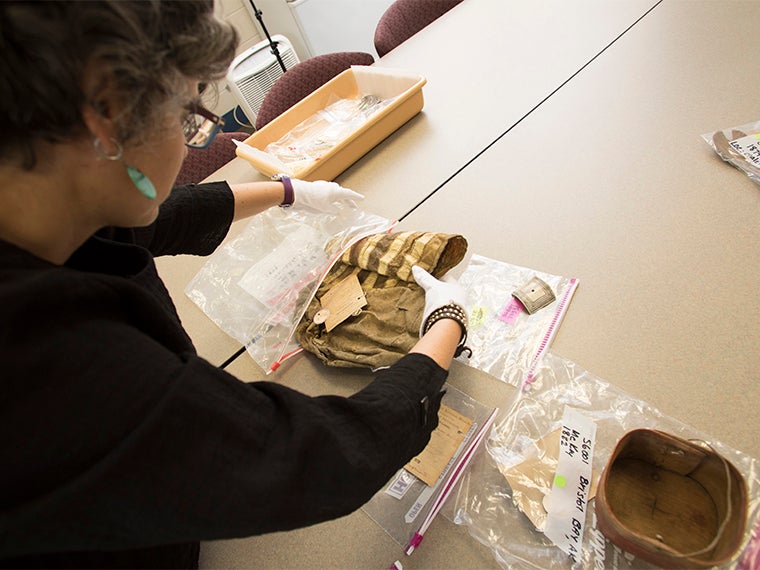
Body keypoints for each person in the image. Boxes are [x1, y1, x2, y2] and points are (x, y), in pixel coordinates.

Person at [0, 1, 469, 568]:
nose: (196, 139)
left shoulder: (37, 204)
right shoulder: (54, 361)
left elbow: (141, 219)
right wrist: (443, 331)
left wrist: (289, 191)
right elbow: (313, 459)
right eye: (188, 115)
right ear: (107, 119)